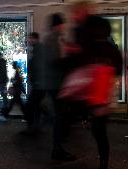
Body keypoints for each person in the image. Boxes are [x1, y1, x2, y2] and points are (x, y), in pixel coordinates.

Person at [79, 15, 122, 169]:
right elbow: (118, 70)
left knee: (99, 134)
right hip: (105, 97)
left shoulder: (94, 48)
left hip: (98, 97)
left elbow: (86, 72)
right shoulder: (111, 48)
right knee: (100, 134)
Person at [43, 13, 76, 161]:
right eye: (62, 24)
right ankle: (57, 149)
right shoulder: (52, 40)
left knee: (61, 116)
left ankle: (58, 147)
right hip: (56, 84)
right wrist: (69, 58)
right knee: (59, 117)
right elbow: (54, 62)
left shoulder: (57, 39)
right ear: (58, 25)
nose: (64, 26)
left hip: (56, 84)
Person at [21, 32, 46, 135]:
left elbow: (39, 67)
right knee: (36, 106)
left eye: (30, 38)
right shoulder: (37, 49)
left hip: (39, 84)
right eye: (28, 38)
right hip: (39, 83)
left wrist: (37, 81)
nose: (29, 40)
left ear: (35, 39)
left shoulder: (39, 50)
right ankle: (35, 127)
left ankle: (32, 127)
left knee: (30, 105)